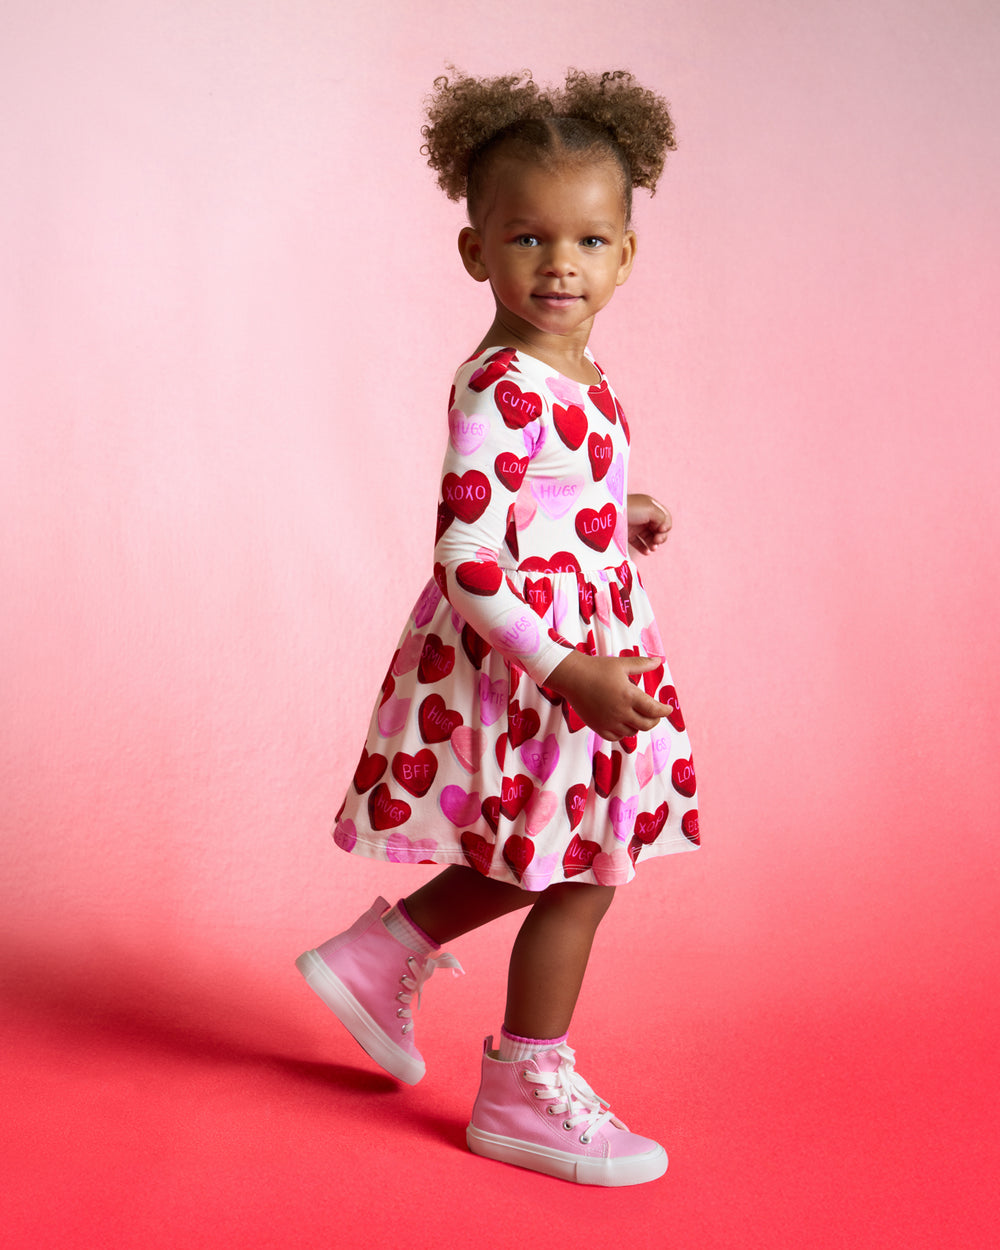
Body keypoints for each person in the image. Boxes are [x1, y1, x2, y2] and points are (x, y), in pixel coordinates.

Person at [296, 68, 699, 1187]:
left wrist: (621, 507)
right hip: (533, 662)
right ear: (476, 252)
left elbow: (546, 496)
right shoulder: (501, 385)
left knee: (556, 850)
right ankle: (524, 1080)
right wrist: (569, 668)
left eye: (586, 238)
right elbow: (470, 557)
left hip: (574, 649)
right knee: (581, 864)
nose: (557, 263)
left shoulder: (583, 378)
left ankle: (381, 954)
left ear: (625, 253)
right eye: (526, 237)